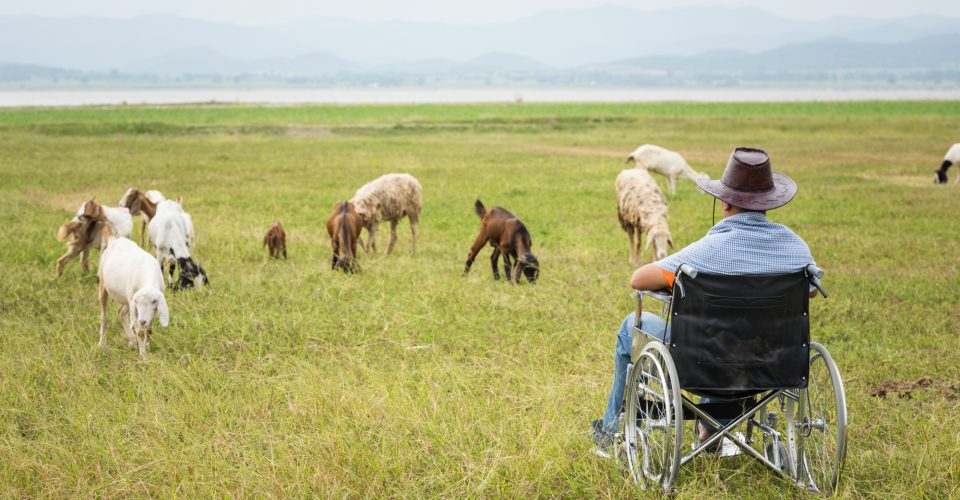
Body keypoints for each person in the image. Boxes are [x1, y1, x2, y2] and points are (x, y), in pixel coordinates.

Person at [592, 147, 818, 453]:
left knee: (631, 326)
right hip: (771, 361)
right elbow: (812, 289)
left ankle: (608, 429)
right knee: (734, 333)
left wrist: (676, 280)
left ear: (724, 202)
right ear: (770, 202)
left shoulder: (705, 251)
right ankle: (711, 430)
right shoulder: (797, 249)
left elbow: (638, 279)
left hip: (701, 362)